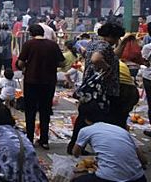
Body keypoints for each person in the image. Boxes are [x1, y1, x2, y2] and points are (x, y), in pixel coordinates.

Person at [67, 22, 124, 155]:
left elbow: (110, 56)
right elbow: (96, 59)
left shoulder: (94, 43)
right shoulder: (104, 45)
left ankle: (75, 146)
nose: (117, 41)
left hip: (90, 89)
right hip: (102, 90)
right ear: (110, 36)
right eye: (116, 38)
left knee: (84, 118)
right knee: (103, 120)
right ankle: (104, 150)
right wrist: (107, 68)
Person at [71, 101, 147, 182]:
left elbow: (75, 153)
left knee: (75, 178)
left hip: (109, 179)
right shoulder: (121, 130)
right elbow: (143, 160)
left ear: (84, 118)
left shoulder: (85, 130)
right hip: (139, 178)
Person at [17, 24, 64, 149]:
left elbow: (20, 63)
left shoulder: (28, 44)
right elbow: (62, 62)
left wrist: (27, 66)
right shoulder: (53, 45)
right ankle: (44, 140)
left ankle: (29, 139)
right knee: (45, 111)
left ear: (31, 33)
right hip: (48, 82)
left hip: (31, 81)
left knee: (30, 111)